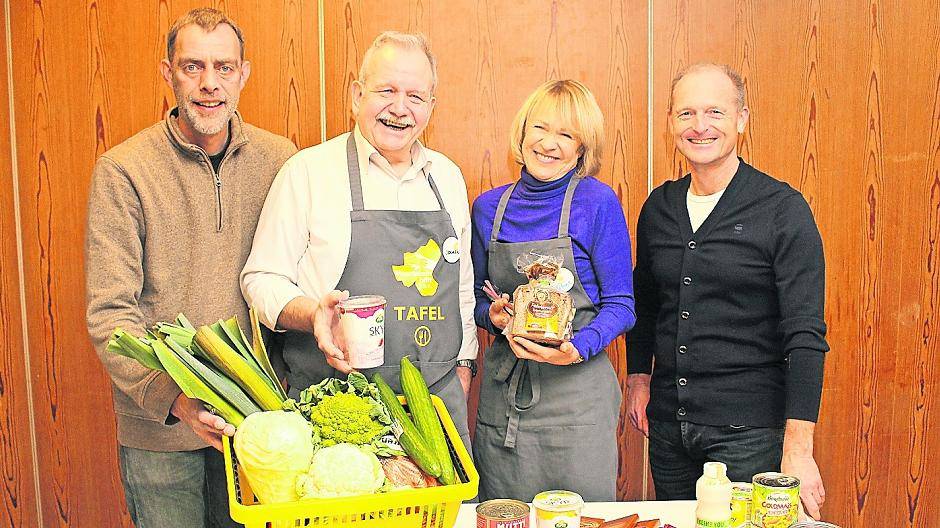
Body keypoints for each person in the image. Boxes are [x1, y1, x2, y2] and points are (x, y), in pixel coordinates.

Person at [85, 8, 296, 527]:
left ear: (244, 73)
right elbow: (109, 314)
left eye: (224, 68)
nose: (209, 84)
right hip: (158, 432)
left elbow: (294, 283)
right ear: (168, 71)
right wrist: (174, 399)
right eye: (192, 67)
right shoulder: (123, 170)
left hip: (257, 426)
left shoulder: (282, 160)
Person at [240, 31, 479, 446]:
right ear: (356, 95)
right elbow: (261, 279)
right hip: (336, 407)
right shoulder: (308, 172)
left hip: (435, 408)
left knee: (444, 514)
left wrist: (462, 366)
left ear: (431, 107)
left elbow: (459, 288)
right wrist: (312, 313)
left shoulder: (447, 176)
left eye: (416, 97)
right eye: (386, 90)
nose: (400, 109)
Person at [625, 63, 828, 518]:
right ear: (672, 123)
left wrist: (798, 448)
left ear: (741, 119)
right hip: (669, 430)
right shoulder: (659, 206)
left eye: (715, 111)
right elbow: (647, 303)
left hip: (749, 435)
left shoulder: (783, 210)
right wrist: (639, 379)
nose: (700, 126)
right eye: (686, 114)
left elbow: (806, 335)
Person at [470, 80, 636, 501]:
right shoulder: (488, 208)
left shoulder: (597, 203)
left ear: (582, 149)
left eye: (567, 134)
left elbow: (622, 305)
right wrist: (492, 316)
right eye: (540, 128)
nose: (549, 143)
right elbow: (471, 298)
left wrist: (577, 347)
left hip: (578, 399)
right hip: (506, 400)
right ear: (522, 134)